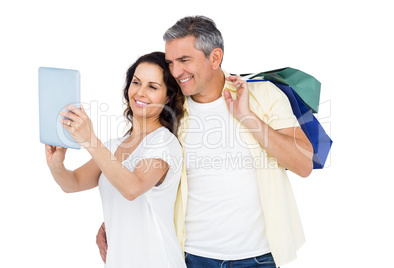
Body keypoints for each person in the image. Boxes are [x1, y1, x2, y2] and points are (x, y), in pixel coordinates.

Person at [97, 16, 314, 267]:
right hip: (190, 256)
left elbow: (304, 164)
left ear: (215, 57)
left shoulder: (263, 95)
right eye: (170, 62)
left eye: (184, 60)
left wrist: (247, 116)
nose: (176, 72)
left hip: (258, 257)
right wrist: (113, 221)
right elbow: (143, 171)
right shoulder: (171, 110)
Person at [45, 52, 187, 267]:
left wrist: (91, 140)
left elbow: (132, 188)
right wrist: (56, 164)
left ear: (168, 97)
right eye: (136, 82)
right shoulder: (113, 146)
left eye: (153, 87)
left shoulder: (164, 143)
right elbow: (72, 183)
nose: (140, 92)